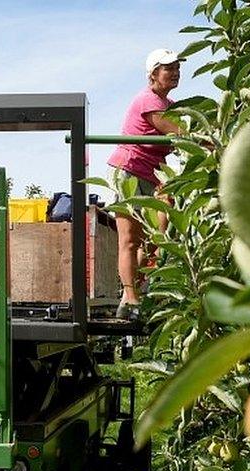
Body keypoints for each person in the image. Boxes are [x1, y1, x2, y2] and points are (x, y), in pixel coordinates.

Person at [107, 48, 184, 320]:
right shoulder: (147, 100)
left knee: (157, 236)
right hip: (128, 171)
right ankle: (130, 296)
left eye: (177, 67)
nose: (175, 72)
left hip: (153, 175)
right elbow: (179, 133)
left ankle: (135, 291)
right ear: (153, 73)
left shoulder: (170, 104)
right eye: (168, 68)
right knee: (129, 240)